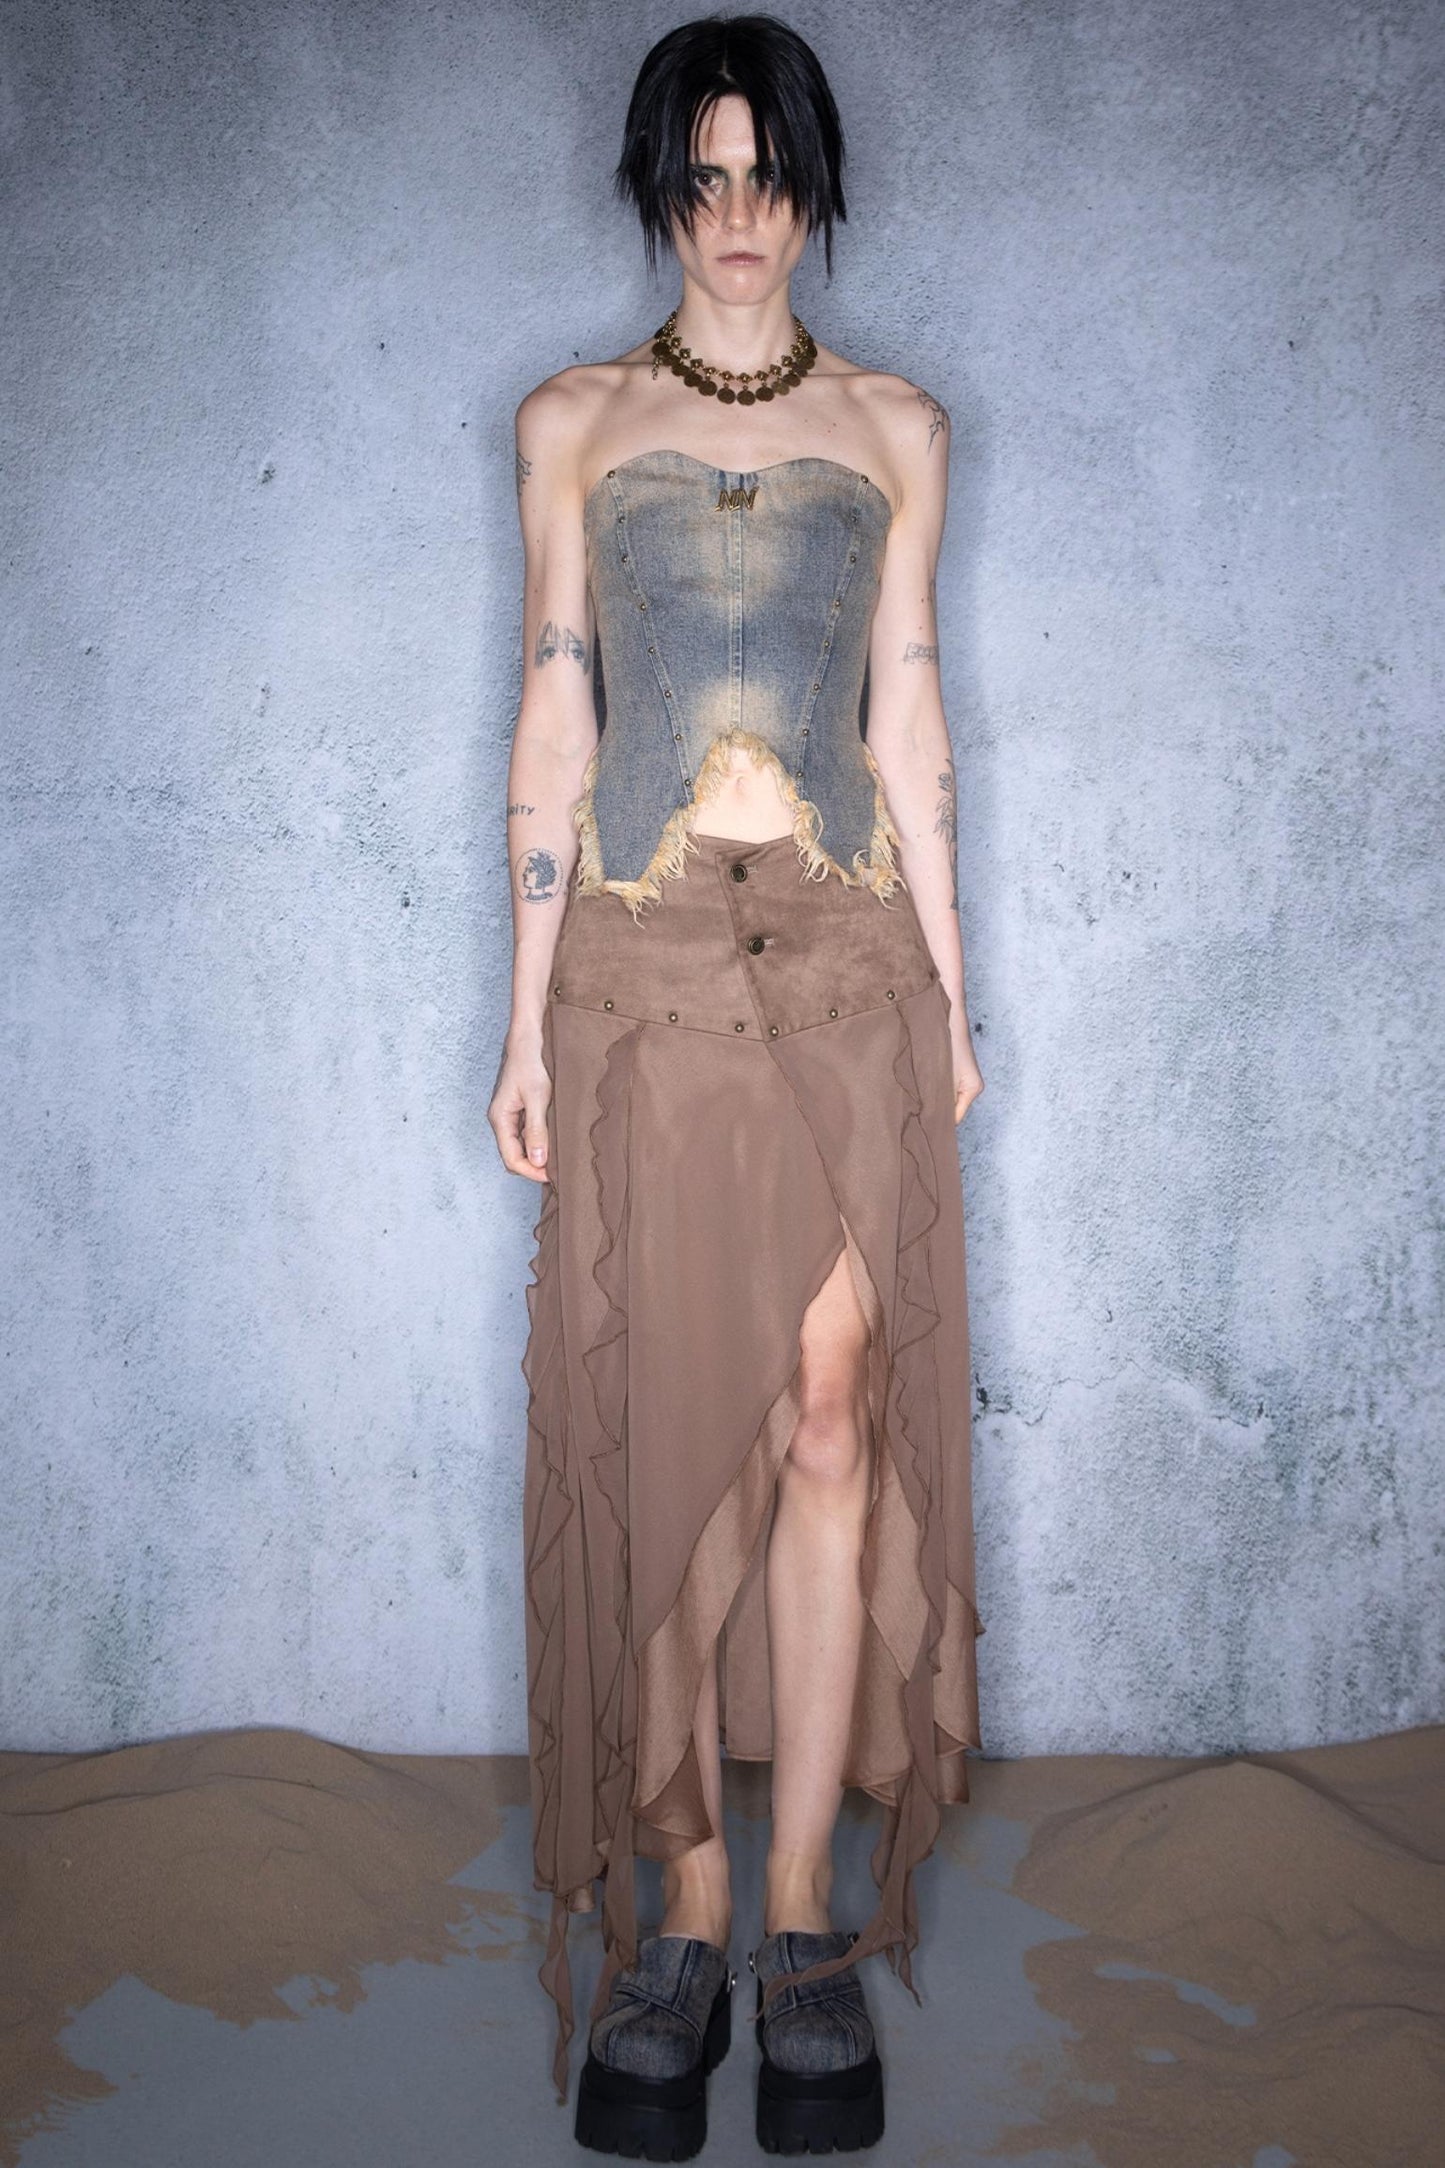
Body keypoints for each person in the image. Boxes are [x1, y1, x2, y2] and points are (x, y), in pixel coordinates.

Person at [489, 13, 986, 2156]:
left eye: (765, 176)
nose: (736, 219)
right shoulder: (572, 422)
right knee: (667, 1417)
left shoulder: (897, 426)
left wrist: (957, 994)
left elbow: (912, 711)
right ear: (657, 195)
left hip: (849, 958)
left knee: (826, 1409)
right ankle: (683, 1913)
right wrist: (520, 1015)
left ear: (812, 186)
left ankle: (798, 1922)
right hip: (640, 960)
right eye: (700, 181)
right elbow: (553, 710)